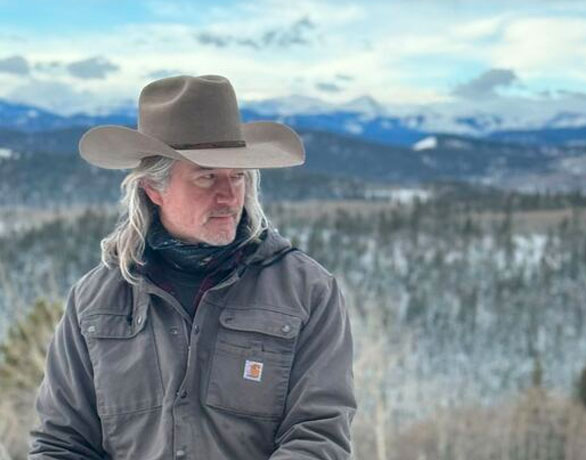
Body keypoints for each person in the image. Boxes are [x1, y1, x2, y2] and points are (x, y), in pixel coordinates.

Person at [29, 75, 356, 459]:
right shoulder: (95, 301)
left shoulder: (306, 291)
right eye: (206, 177)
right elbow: (61, 444)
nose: (229, 195)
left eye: (237, 176)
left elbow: (318, 436)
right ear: (154, 188)